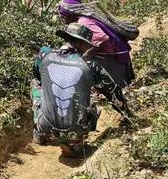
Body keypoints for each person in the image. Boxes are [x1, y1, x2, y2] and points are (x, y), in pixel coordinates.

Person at [31, 23, 131, 158]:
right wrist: (127, 115)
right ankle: (74, 145)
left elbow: (38, 76)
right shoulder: (90, 66)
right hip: (76, 131)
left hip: (45, 127)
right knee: (93, 105)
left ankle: (39, 132)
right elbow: (113, 94)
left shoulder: (44, 55)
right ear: (82, 43)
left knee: (35, 84)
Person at [57, 0, 135, 90]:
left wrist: (87, 54)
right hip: (112, 53)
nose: (62, 19)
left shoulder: (84, 22)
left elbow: (103, 39)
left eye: (63, 16)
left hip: (112, 57)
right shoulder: (84, 18)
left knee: (117, 87)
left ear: (69, 14)